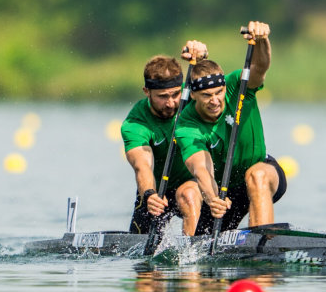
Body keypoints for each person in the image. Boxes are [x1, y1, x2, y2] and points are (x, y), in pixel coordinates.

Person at [175, 21, 286, 233]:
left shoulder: (238, 85)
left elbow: (260, 67)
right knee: (190, 201)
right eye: (207, 96)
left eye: (218, 92)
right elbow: (200, 168)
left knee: (256, 175)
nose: (215, 100)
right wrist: (212, 198)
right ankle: (195, 256)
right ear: (194, 96)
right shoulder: (187, 124)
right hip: (220, 188)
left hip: (260, 170)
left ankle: (262, 248)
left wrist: (262, 40)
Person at [121, 42, 209, 236]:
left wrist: (202, 56)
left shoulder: (191, 97)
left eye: (175, 94)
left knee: (187, 195)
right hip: (156, 190)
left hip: (194, 183)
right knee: (140, 253)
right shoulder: (136, 123)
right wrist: (149, 195)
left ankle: (190, 258)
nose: (171, 103)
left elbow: (213, 82)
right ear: (147, 92)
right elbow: (142, 166)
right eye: (162, 97)